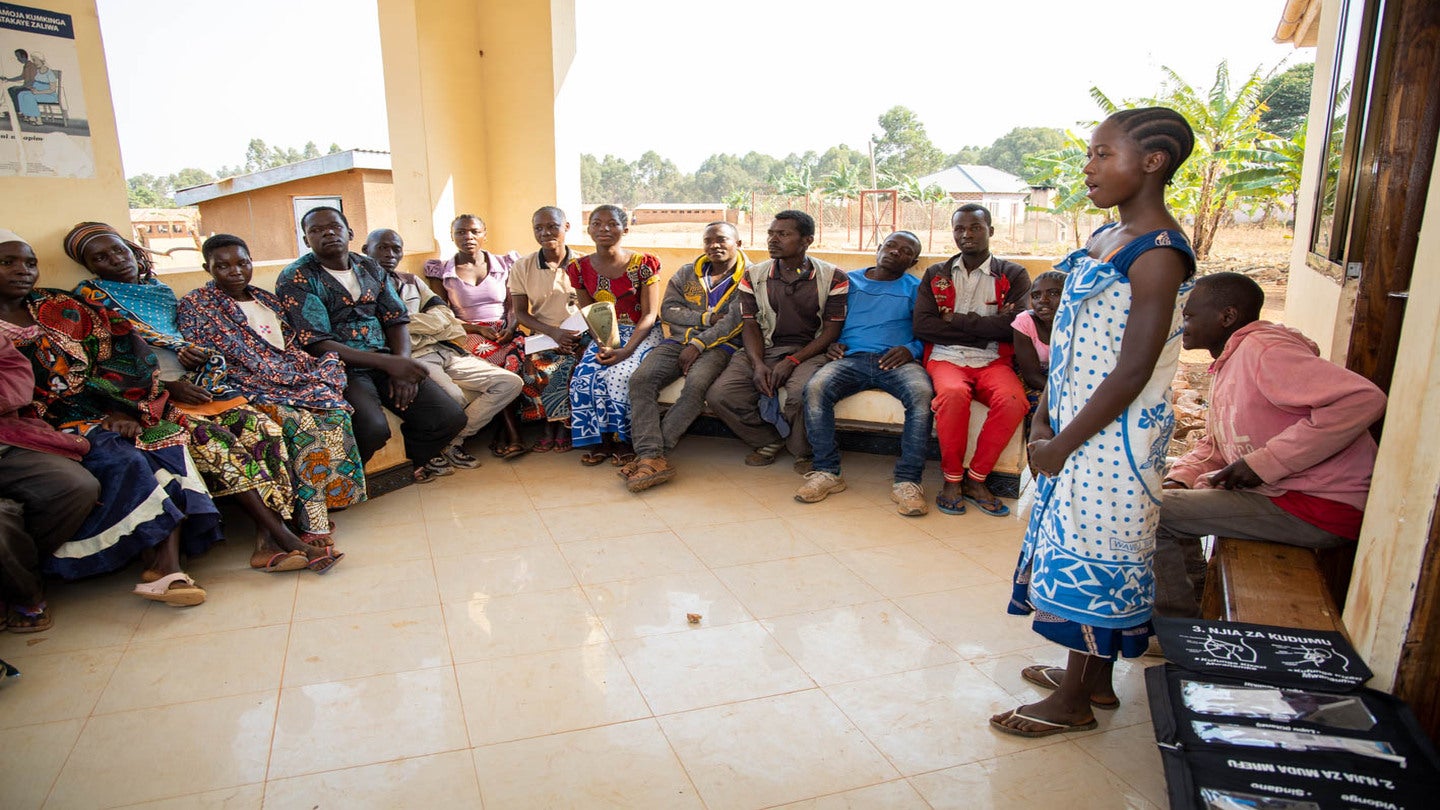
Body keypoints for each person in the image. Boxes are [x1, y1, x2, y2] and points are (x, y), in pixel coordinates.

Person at [991, 107, 1198, 738]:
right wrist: (1044, 419)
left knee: (1101, 554)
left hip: (1114, 441)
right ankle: (1094, 680)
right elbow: (1071, 343)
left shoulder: (1158, 254)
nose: (1088, 167)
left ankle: (1073, 703)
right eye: (1090, 154)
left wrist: (1063, 444)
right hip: (1075, 428)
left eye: (1103, 154)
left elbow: (1132, 370)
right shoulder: (1109, 235)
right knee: (1077, 546)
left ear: (1153, 162)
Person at [65, 222, 334, 573]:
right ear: (89, 267)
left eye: (119, 249)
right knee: (217, 442)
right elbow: (97, 366)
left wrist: (194, 363)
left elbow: (183, 340)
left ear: (132, 248)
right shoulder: (88, 303)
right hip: (152, 398)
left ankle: (265, 538)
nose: (116, 259)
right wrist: (167, 387)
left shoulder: (159, 292)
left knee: (265, 429)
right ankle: (285, 537)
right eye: (101, 257)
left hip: (202, 386)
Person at [0, 230, 221, 605]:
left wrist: (124, 408)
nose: (23, 271)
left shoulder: (59, 304)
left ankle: (164, 564)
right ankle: (160, 564)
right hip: (42, 426)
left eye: (30, 263)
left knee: (165, 437)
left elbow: (121, 348)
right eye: (8, 263)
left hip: (105, 405)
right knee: (124, 457)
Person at [1150, 271, 1385, 619]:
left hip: (1317, 504)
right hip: (1284, 496)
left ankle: (1178, 626)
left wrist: (1266, 462)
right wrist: (1181, 477)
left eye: (1187, 315)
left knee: (1152, 514)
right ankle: (1195, 599)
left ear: (1227, 317)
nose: (1179, 324)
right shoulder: (1231, 360)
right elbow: (1218, 444)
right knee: (1161, 494)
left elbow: (1363, 399)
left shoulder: (1265, 351)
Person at [178, 234, 367, 559]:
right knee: (298, 422)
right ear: (207, 268)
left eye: (242, 263)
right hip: (244, 381)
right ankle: (313, 524)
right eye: (223, 266)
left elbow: (289, 344)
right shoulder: (197, 305)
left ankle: (323, 504)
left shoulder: (266, 300)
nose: (235, 271)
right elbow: (205, 353)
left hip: (289, 374)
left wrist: (293, 370)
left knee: (334, 411)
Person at [275, 206, 466, 484]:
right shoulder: (297, 277)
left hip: (385, 359)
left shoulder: (370, 267)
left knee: (450, 417)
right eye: (316, 230)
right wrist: (392, 364)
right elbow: (317, 343)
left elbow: (396, 319)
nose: (328, 233)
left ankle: (410, 465)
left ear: (349, 232)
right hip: (339, 367)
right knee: (374, 428)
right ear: (306, 240)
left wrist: (402, 365)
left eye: (335, 227)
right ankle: (341, 485)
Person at [795, 232, 933, 515]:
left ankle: (907, 481)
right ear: (879, 248)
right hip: (851, 358)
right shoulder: (848, 282)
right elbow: (828, 323)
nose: (895, 252)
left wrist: (911, 350)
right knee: (816, 387)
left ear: (913, 262)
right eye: (891, 245)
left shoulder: (916, 289)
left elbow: (928, 332)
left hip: (897, 361)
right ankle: (827, 472)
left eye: (906, 251)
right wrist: (831, 343)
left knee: (922, 394)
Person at [364, 228, 523, 468]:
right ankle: (447, 444)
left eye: (396, 249)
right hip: (415, 356)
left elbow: (445, 316)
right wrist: (423, 323)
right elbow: (377, 329)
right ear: (366, 250)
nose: (390, 254)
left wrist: (401, 323)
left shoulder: (411, 281)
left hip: (446, 349)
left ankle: (451, 441)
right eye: (382, 248)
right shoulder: (361, 291)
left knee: (510, 383)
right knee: (454, 398)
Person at [914, 204, 1031, 517]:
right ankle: (952, 479)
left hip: (993, 359)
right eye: (959, 228)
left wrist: (954, 319)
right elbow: (923, 326)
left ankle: (976, 480)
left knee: (1013, 401)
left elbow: (1013, 326)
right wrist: (984, 330)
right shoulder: (936, 274)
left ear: (990, 231)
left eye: (975, 227)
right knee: (953, 395)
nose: (966, 234)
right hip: (945, 357)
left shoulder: (1013, 274)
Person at [707, 210, 846, 471]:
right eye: (771, 233)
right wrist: (758, 364)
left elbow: (831, 331)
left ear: (807, 240)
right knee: (721, 394)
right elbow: (750, 324)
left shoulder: (833, 277)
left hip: (811, 350)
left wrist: (792, 361)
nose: (773, 239)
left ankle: (803, 451)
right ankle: (768, 439)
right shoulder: (754, 275)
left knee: (800, 394)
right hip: (765, 346)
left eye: (783, 234)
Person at [622, 221, 747, 491]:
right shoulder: (687, 272)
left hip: (721, 346)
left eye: (722, 239)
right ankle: (651, 455)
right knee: (640, 380)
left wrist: (699, 343)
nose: (714, 245)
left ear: (738, 243)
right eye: (708, 240)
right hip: (678, 341)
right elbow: (669, 310)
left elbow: (735, 321)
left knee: (696, 386)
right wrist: (707, 318)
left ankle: (651, 456)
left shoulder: (750, 277)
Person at [0, 332, 99, 632]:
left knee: (76, 487)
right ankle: (25, 593)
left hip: (7, 440)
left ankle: (12, 573)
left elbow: (14, 373)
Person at [423, 214, 529, 458]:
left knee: (516, 360)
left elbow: (514, 307)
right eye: (461, 232)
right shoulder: (442, 271)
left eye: (474, 231)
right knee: (494, 361)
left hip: (504, 330)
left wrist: (511, 328)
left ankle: (501, 432)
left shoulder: (505, 264)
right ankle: (513, 435)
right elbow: (442, 314)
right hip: (466, 332)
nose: (468, 237)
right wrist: (476, 329)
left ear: (484, 234)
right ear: (452, 237)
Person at [565, 205, 662, 466]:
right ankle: (602, 441)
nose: (604, 229)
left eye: (612, 224)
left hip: (642, 332)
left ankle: (626, 441)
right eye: (597, 223)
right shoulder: (578, 268)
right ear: (589, 229)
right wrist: (602, 343)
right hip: (604, 333)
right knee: (585, 377)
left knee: (620, 376)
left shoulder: (644, 264)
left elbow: (650, 314)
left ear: (625, 230)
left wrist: (627, 350)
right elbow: (589, 312)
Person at [509, 206, 582, 452]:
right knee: (535, 370)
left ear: (566, 227)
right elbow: (521, 313)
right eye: (538, 228)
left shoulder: (583, 264)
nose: (545, 233)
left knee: (570, 366)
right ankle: (550, 425)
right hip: (543, 334)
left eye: (552, 226)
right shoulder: (522, 266)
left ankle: (561, 428)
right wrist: (553, 333)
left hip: (580, 335)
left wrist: (569, 336)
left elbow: (594, 308)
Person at [1012, 270, 1066, 445]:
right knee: (1041, 406)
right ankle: (1038, 458)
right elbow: (1031, 376)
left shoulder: (1081, 321)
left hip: (1067, 378)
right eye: (1036, 296)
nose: (1043, 300)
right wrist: (1063, 394)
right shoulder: (1025, 322)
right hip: (1038, 379)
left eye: (1053, 293)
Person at [8, 52, 56, 128]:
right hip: (38, 93)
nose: (34, 62)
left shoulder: (49, 73)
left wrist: (38, 92)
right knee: (21, 94)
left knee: (29, 97)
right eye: (33, 60)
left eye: (35, 60)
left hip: (49, 95)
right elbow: (35, 83)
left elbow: (52, 90)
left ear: (41, 60)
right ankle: (30, 116)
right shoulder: (38, 72)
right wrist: (33, 89)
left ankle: (39, 120)